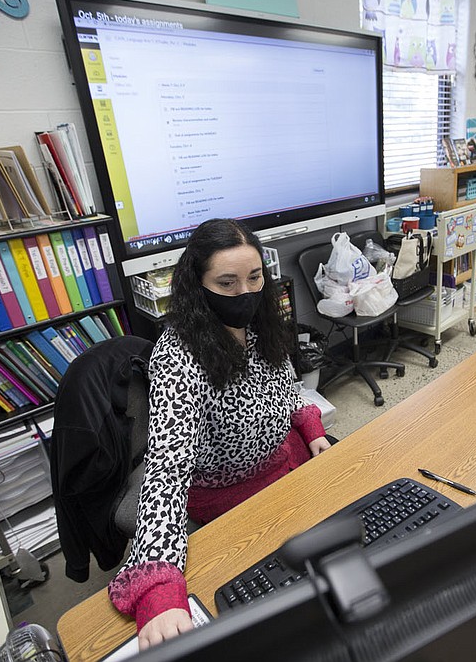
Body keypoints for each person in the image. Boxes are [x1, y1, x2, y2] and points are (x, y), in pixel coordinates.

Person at [108, 219, 331, 649]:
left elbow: (288, 387)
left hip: (289, 461)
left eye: (254, 278)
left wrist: (311, 426)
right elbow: (166, 472)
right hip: (229, 495)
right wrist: (160, 594)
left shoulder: (262, 324)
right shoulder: (176, 357)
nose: (245, 293)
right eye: (227, 283)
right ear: (198, 284)